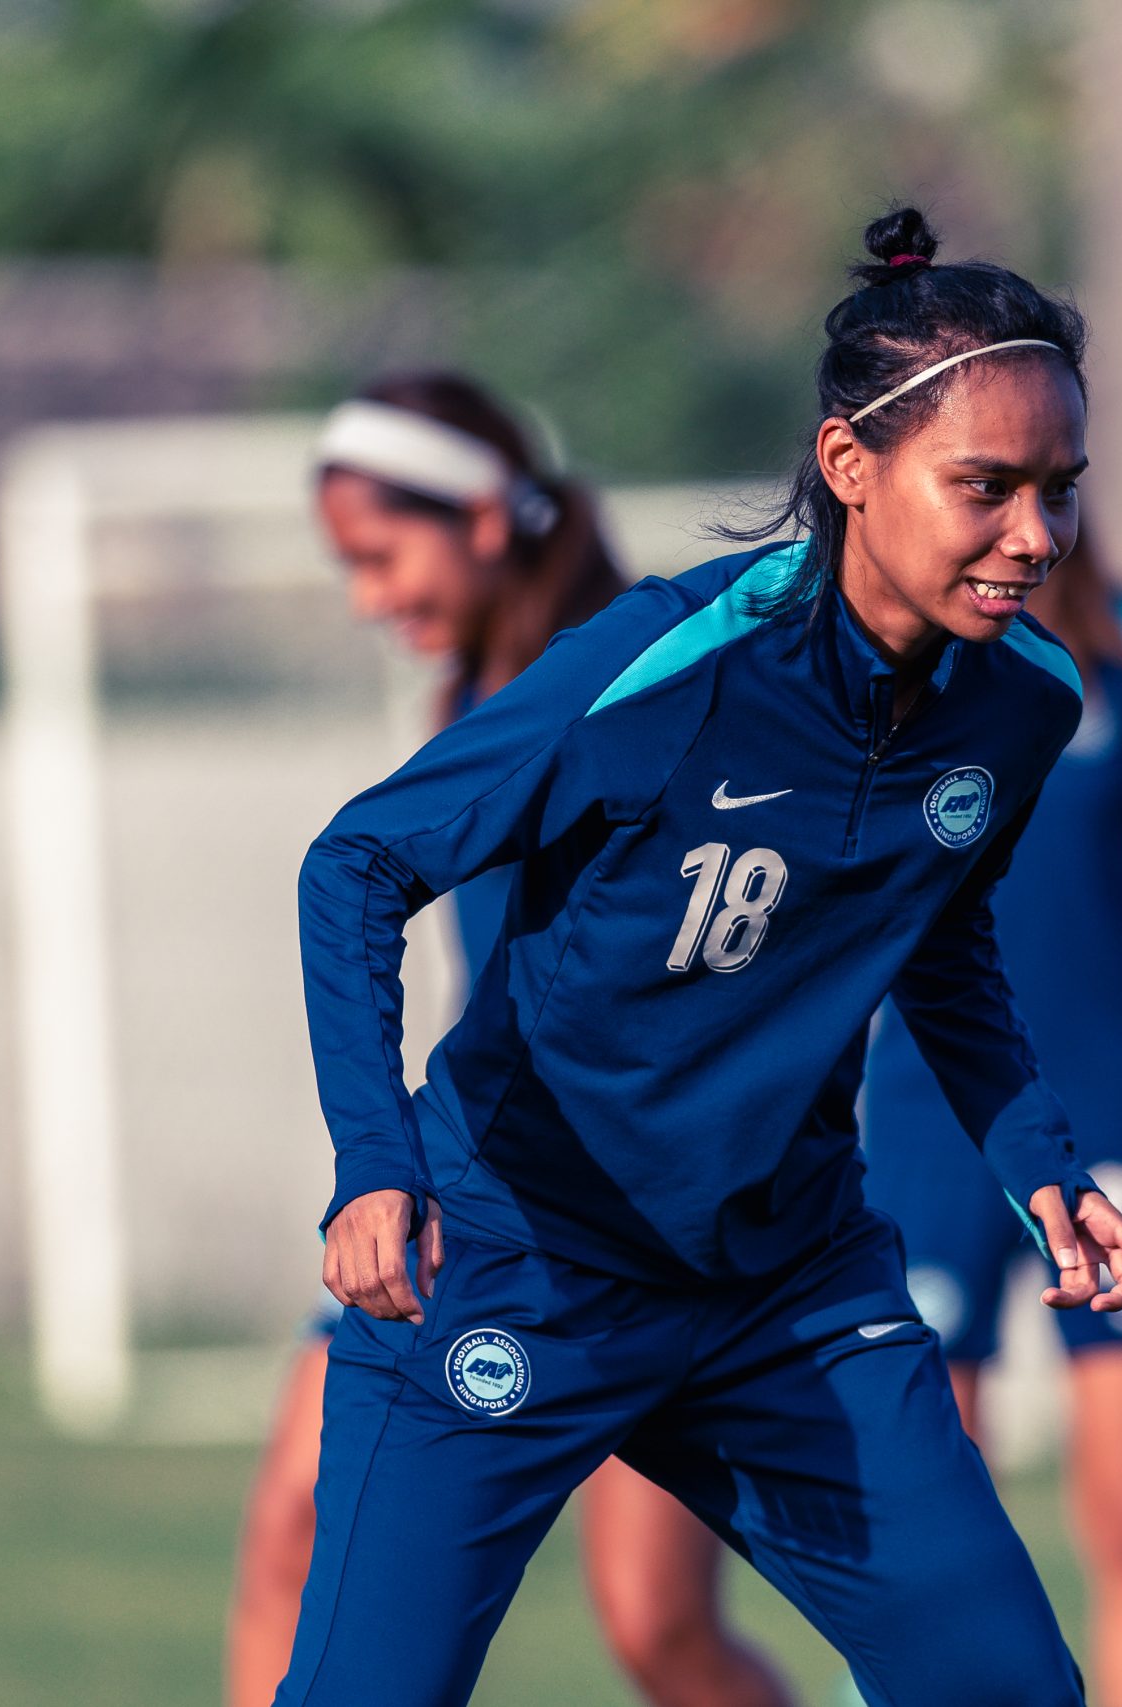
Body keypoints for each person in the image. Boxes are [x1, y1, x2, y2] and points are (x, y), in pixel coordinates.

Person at [277, 207, 1122, 1707]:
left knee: (1006, 1687)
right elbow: (358, 861)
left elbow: (937, 939)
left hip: (784, 1286)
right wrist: (376, 1164)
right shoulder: (667, 662)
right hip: (519, 1260)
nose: (1035, 535)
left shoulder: (1024, 704)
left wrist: (1041, 1163)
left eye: (1058, 489)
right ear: (848, 465)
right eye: (987, 486)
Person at [228, 373, 797, 1707]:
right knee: (294, 1523)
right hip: (477, 1199)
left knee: (656, 1623)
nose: (368, 598)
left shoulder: (635, 684)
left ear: (485, 518)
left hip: (641, 1223)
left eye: (383, 556)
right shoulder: (466, 698)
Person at [860, 527, 1122, 1707]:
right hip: (929, 1116)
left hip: (1111, 1110)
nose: (1021, 517)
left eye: (1050, 481)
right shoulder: (893, 648)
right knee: (931, 1521)